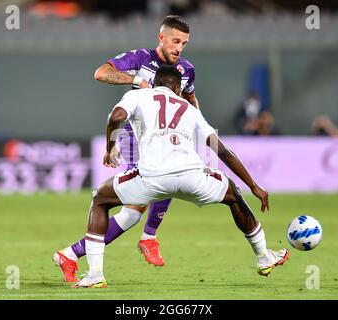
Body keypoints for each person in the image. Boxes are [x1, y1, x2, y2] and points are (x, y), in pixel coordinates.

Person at [71, 65, 289, 288]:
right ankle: (264, 257)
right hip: (192, 176)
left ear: (154, 83)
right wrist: (253, 185)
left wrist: (109, 148)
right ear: (177, 88)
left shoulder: (137, 95)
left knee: (100, 199)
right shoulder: (189, 108)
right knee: (233, 193)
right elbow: (222, 151)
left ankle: (95, 274)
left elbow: (116, 117)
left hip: (151, 178)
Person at [54, 15, 200, 282]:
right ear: (161, 38)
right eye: (175, 41)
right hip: (136, 138)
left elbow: (190, 98)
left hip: (163, 139)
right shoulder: (139, 59)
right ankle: (149, 237)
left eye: (184, 43)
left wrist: (196, 125)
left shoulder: (186, 70)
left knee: (131, 214)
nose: (179, 48)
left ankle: (71, 255)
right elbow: (101, 73)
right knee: (166, 173)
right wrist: (135, 81)